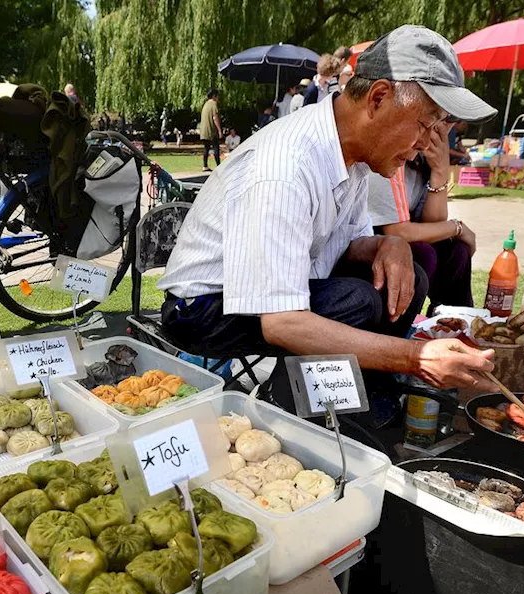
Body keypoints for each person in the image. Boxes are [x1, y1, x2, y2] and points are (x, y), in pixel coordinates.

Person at [158, 25, 499, 420]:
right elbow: (283, 323)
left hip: (272, 291)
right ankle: (296, 415)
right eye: (425, 124)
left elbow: (349, 243)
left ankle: (363, 391)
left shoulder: (351, 155)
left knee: (410, 275)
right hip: (201, 308)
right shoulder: (286, 167)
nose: (426, 144)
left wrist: (390, 244)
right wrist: (416, 356)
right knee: (356, 301)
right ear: (379, 98)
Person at [367, 124, 476, 312]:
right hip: (367, 246)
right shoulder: (392, 150)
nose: (443, 129)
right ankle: (399, 330)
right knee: (423, 253)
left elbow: (433, 223)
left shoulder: (419, 160)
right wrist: (457, 227)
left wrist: (440, 171)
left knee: (457, 251)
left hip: (399, 237)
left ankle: (454, 323)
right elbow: (397, 231)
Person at [198, 88, 222, 171]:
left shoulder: (206, 104)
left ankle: (205, 166)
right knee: (216, 147)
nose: (218, 98)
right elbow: (215, 117)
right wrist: (219, 130)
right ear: (214, 96)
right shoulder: (213, 104)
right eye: (217, 96)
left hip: (204, 130)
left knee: (206, 148)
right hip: (211, 130)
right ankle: (219, 166)